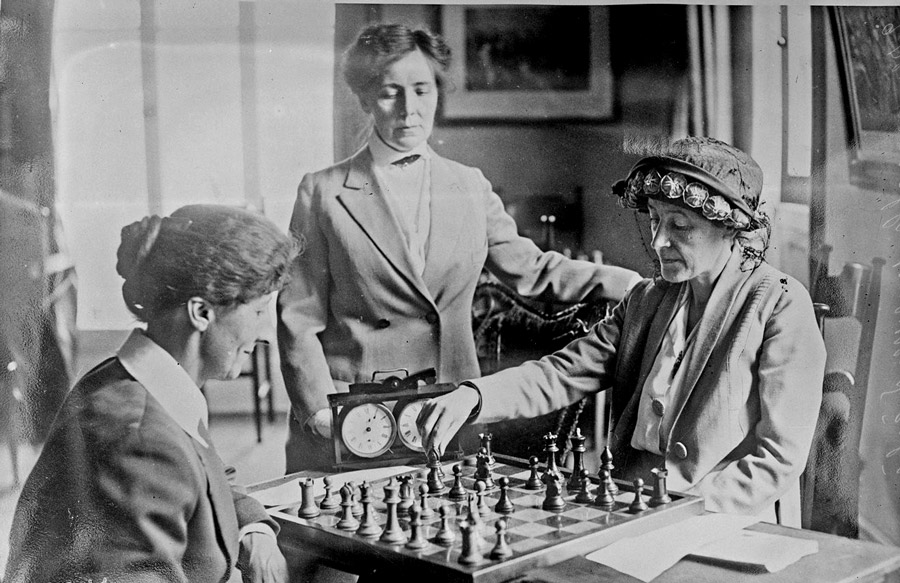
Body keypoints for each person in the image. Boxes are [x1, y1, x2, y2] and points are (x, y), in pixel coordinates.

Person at [278, 23, 640, 472]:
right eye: (391, 92)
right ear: (365, 97)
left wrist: (627, 282)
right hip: (356, 418)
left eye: (422, 90)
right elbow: (297, 318)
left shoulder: (468, 185)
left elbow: (531, 269)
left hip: (446, 408)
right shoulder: (323, 192)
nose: (410, 110)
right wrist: (316, 411)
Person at [418, 137, 826, 526]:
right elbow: (561, 373)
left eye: (680, 226)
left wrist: (682, 517)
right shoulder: (648, 300)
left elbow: (777, 458)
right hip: (632, 508)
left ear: (729, 228)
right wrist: (475, 395)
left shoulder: (780, 304)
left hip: (725, 523)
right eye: (654, 220)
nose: (659, 240)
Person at [0, 206, 298, 583]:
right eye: (258, 311)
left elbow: (201, 472)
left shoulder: (141, 383)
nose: (265, 333)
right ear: (201, 312)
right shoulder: (138, 434)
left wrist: (253, 527)